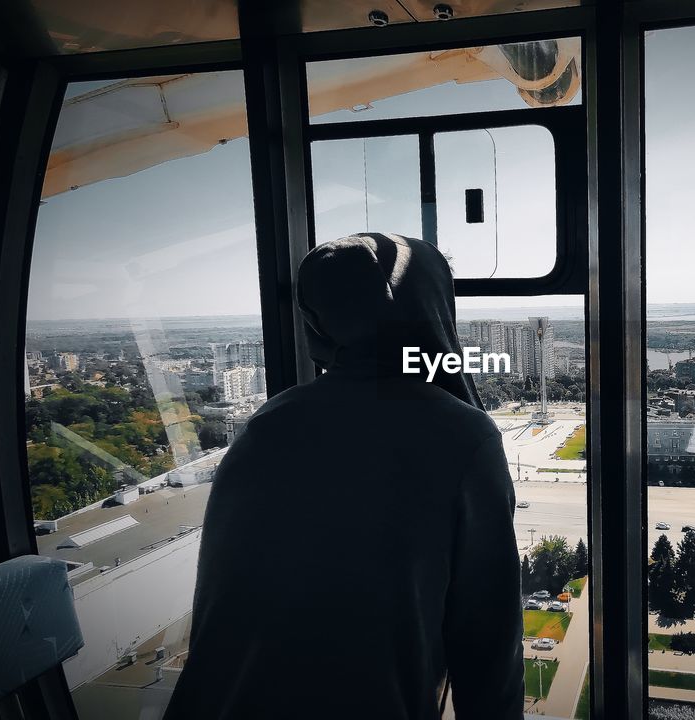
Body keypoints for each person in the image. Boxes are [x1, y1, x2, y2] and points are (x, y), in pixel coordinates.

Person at [164, 234, 524, 719]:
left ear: (317, 321)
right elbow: (488, 645)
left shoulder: (267, 426)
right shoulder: (461, 436)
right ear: (435, 307)